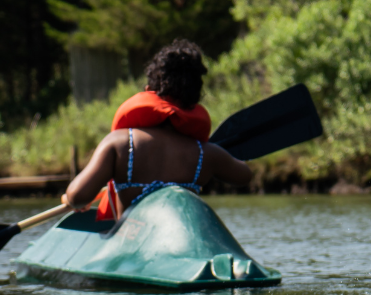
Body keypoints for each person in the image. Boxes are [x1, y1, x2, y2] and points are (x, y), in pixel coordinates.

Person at [63, 40, 253, 219]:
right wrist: (216, 154)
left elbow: (78, 196)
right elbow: (245, 175)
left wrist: (69, 199)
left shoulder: (119, 144)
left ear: (149, 90)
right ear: (194, 100)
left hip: (133, 244)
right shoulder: (207, 154)